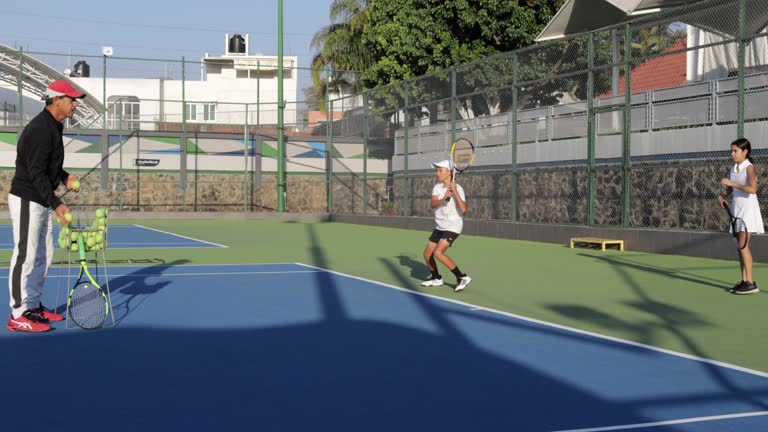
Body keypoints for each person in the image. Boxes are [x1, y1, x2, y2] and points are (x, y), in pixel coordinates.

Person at [7, 80, 82, 332]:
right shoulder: (40, 129)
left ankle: (33, 304)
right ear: (56, 100)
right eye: (71, 99)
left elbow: (49, 166)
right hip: (28, 197)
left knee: (43, 255)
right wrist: (57, 203)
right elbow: (36, 172)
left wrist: (65, 176)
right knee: (25, 256)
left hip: (40, 198)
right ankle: (18, 313)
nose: (75, 104)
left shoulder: (54, 127)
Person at [718, 138, 764, 295]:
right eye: (731, 150)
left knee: (743, 246)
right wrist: (722, 195)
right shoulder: (733, 168)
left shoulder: (749, 168)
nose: (732, 153)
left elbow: (752, 189)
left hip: (748, 211)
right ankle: (744, 281)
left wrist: (732, 184)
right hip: (736, 210)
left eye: (735, 151)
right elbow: (731, 190)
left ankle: (751, 283)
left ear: (745, 152)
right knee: (740, 247)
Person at [421, 159, 472, 292]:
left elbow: (464, 209)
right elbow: (433, 204)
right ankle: (436, 277)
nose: (437, 173)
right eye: (437, 170)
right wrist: (444, 197)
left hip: (453, 226)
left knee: (438, 252)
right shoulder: (437, 188)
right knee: (427, 254)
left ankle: (462, 277)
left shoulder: (458, 188)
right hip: (440, 226)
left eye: (440, 170)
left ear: (449, 172)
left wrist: (454, 191)